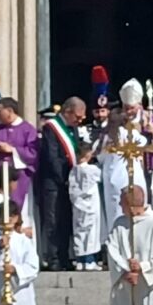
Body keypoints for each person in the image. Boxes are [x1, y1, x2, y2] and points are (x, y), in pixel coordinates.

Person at [38, 97, 85, 271]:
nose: (80, 121)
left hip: (69, 182)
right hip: (54, 182)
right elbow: (52, 156)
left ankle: (65, 256)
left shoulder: (73, 128)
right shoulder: (51, 128)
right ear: (67, 111)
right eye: (78, 117)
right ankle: (54, 258)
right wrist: (63, 177)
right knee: (53, 219)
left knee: (66, 219)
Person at [0, 98, 40, 239]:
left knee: (21, 210)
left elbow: (34, 153)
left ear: (10, 111)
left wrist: (12, 150)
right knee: (0, 208)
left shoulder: (27, 129)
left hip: (19, 178)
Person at [98, 108, 149, 241]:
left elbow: (100, 158)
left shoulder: (107, 138)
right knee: (134, 214)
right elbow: (145, 143)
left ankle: (116, 244)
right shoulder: (133, 134)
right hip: (134, 177)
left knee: (116, 214)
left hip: (115, 179)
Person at [69, 142, 104, 271]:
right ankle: (89, 260)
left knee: (79, 231)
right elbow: (101, 177)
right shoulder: (92, 169)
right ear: (88, 154)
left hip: (78, 205)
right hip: (91, 205)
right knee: (91, 233)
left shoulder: (73, 170)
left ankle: (80, 260)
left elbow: (72, 189)